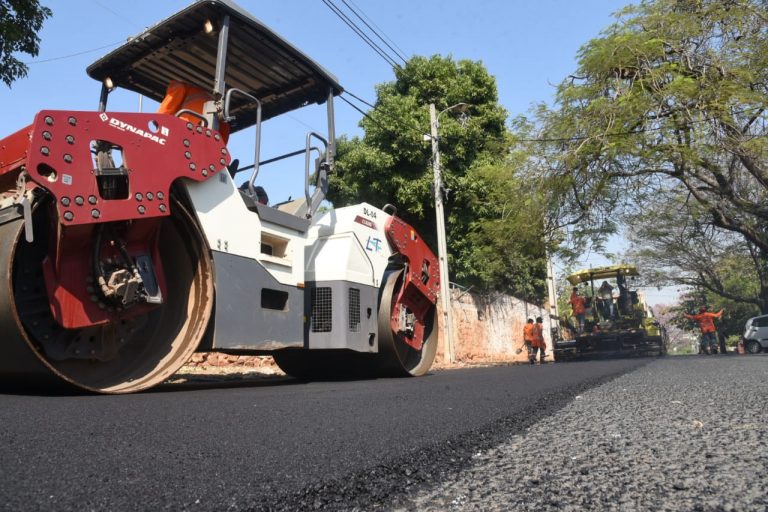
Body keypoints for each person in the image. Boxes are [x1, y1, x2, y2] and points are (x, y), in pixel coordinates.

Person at [157, 80, 231, 143]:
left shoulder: (178, 86)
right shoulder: (213, 102)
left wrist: (158, 122)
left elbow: (164, 111)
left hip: (189, 124)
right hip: (208, 130)